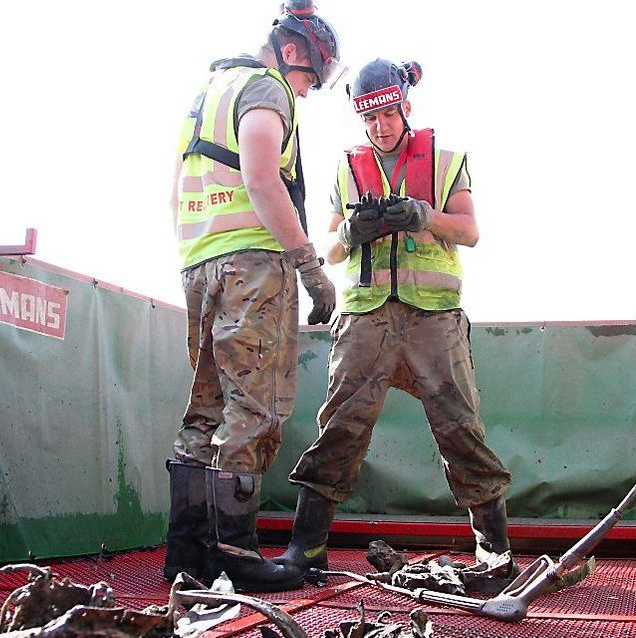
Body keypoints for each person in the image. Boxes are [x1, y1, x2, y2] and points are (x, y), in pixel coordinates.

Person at [274, 59, 515, 573]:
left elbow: (470, 232)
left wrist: (426, 216)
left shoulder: (446, 161)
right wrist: (349, 234)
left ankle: (494, 549)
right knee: (340, 424)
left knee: (459, 426)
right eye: (370, 118)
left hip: (435, 319)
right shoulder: (346, 166)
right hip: (366, 315)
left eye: (387, 113)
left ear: (404, 107)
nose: (380, 126)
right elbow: (333, 250)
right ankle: (307, 546)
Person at [163, 1, 343, 593]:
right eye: (309, 78)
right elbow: (263, 176)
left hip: (199, 261)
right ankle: (235, 555)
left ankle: (186, 555)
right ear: (291, 52)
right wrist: (309, 265)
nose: (308, 92)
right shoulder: (266, 90)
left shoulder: (213, 87)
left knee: (205, 408)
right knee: (254, 408)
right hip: (250, 264)